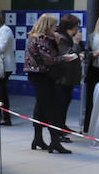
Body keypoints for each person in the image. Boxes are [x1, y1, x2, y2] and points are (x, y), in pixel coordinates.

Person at [24, 14, 70, 154]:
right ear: (47, 26)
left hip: (36, 75)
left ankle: (37, 138)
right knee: (51, 109)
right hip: (42, 75)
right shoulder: (41, 39)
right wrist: (65, 58)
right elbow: (49, 59)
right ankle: (54, 141)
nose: (55, 28)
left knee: (40, 106)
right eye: (53, 25)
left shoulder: (34, 37)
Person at [52, 14, 85, 139]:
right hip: (62, 77)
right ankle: (58, 130)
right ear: (70, 27)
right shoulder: (62, 38)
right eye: (76, 26)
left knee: (66, 102)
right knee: (61, 104)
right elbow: (68, 54)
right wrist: (76, 43)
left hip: (69, 77)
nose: (78, 29)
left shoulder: (67, 37)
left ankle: (62, 125)